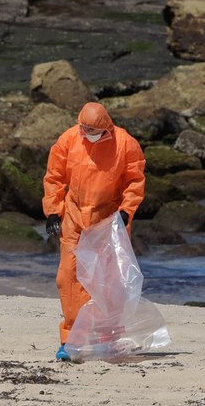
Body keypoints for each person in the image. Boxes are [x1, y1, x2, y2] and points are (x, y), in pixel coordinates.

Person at [43, 102, 146, 361]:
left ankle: (108, 338)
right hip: (74, 218)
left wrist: (126, 211)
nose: (86, 131)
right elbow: (54, 177)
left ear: (105, 127)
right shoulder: (68, 139)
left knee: (108, 282)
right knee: (68, 279)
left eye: (91, 128)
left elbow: (135, 180)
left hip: (109, 219)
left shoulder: (125, 143)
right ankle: (71, 340)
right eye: (83, 126)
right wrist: (53, 212)